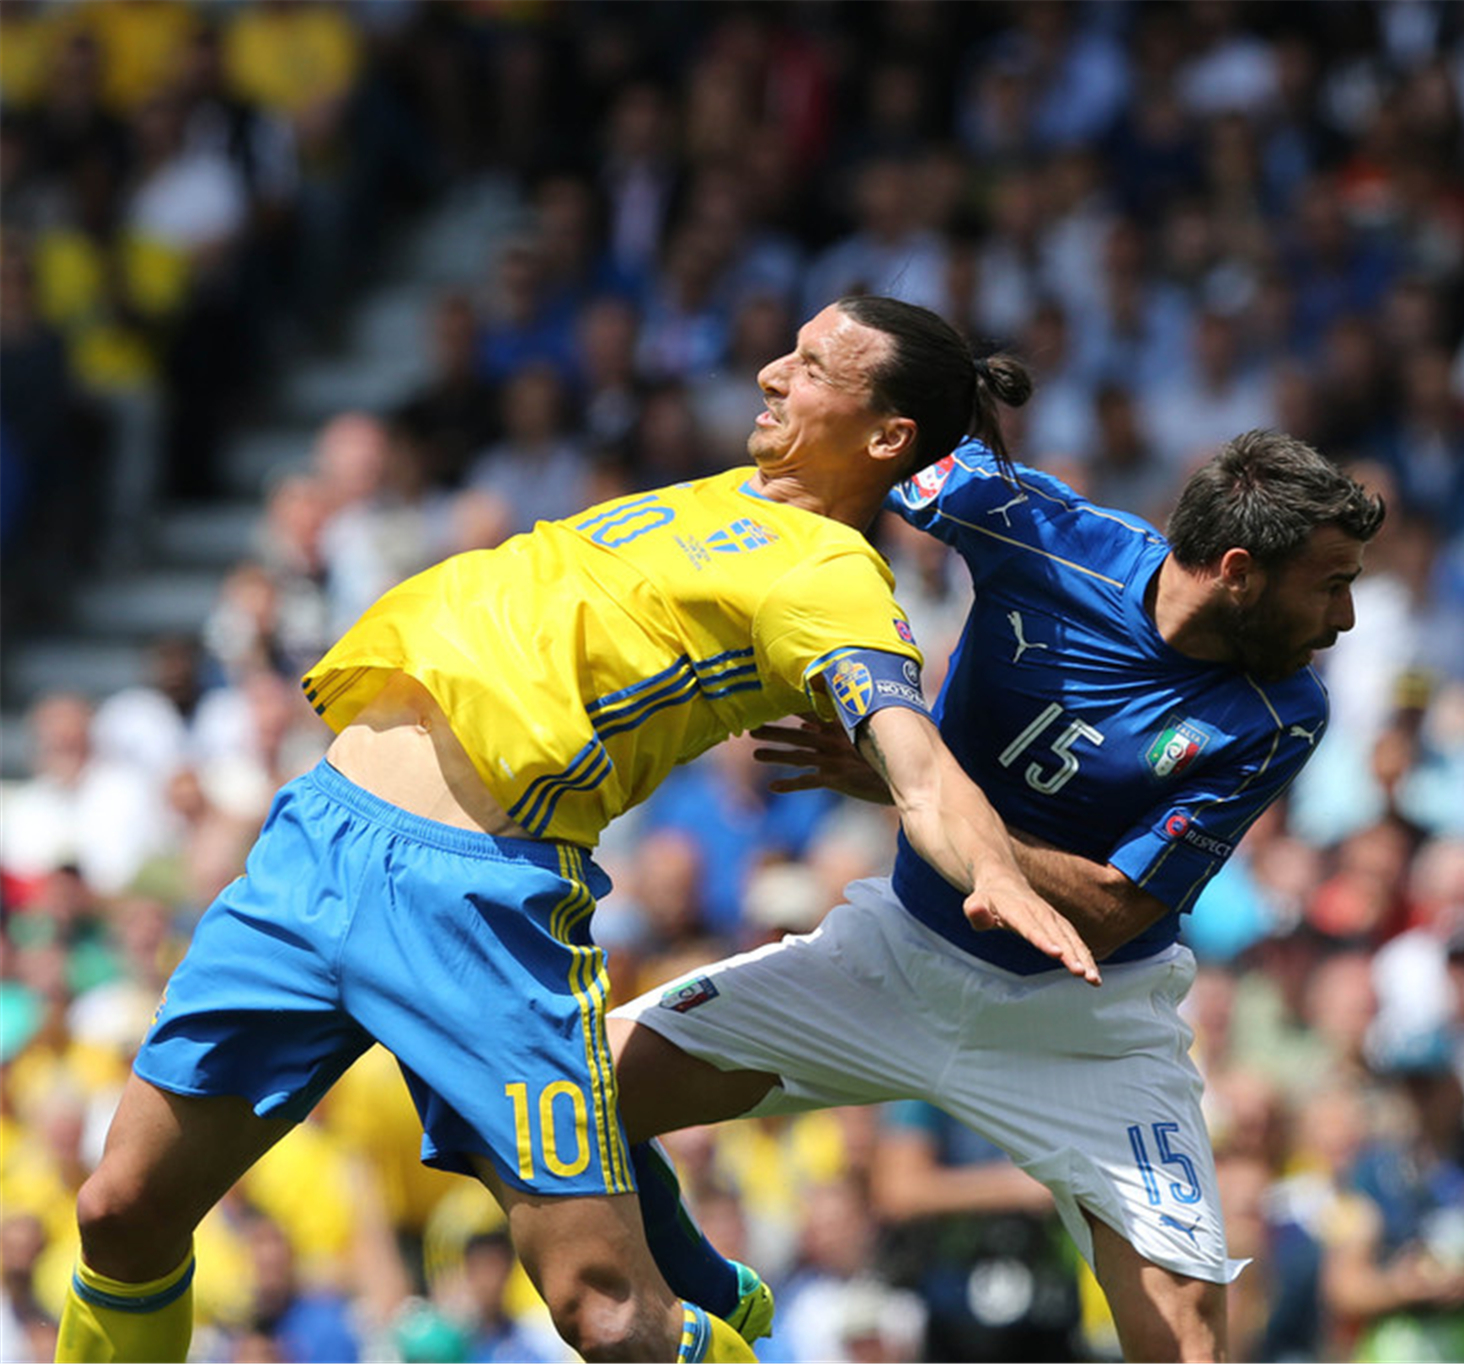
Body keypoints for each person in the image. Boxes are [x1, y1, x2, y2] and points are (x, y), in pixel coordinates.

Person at [57, 296, 1100, 1364]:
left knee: (609, 1317)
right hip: (315, 840)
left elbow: (914, 754)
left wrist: (994, 865)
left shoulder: (831, 577)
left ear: (886, 437)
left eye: (812, 366)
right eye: (785, 349)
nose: (771, 374)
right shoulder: (731, 491)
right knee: (119, 1212)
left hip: (472, 900)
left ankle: (696, 1303)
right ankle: (693, 1271)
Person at [610, 429, 1386, 1361]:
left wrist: (921, 781)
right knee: (567, 1093)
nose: (1344, 617)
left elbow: (1107, 911)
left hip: (1091, 1028)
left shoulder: (1282, 713)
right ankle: (706, 1288)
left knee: (1188, 1344)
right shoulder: (1047, 532)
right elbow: (882, 450)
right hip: (893, 960)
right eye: (1331, 582)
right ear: (1238, 572)